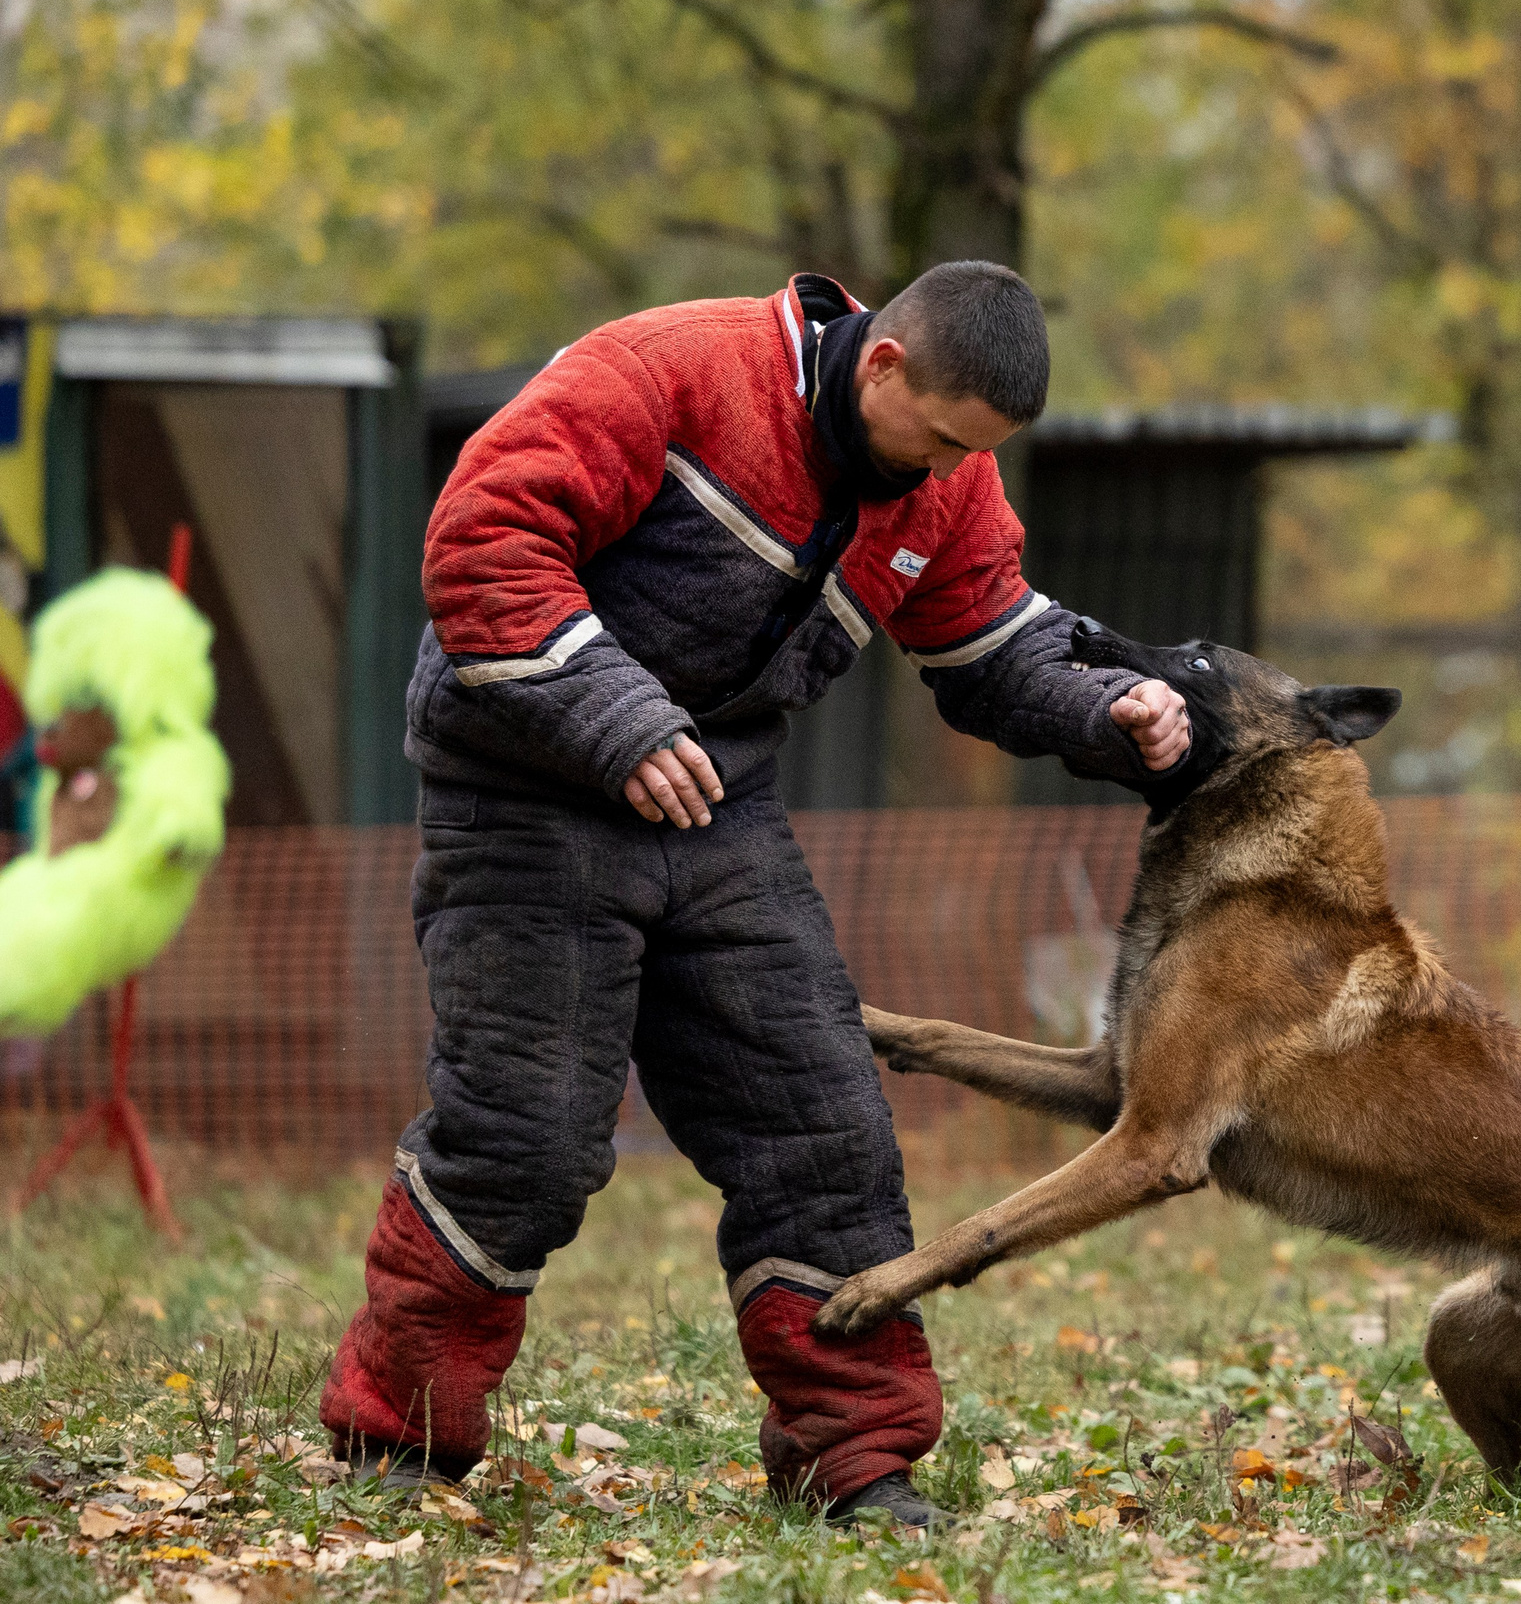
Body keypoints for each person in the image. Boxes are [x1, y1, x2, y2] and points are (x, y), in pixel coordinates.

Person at [320, 263, 1192, 1527]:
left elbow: (989, 642)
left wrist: (1109, 710)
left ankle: (853, 1460)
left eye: (974, 456)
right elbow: (485, 538)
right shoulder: (669, 371)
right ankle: (394, 1439)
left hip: (717, 810)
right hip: (526, 796)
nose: (944, 472)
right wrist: (615, 720)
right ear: (883, 365)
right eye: (940, 440)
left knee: (824, 1130)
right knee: (529, 1140)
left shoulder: (945, 481)